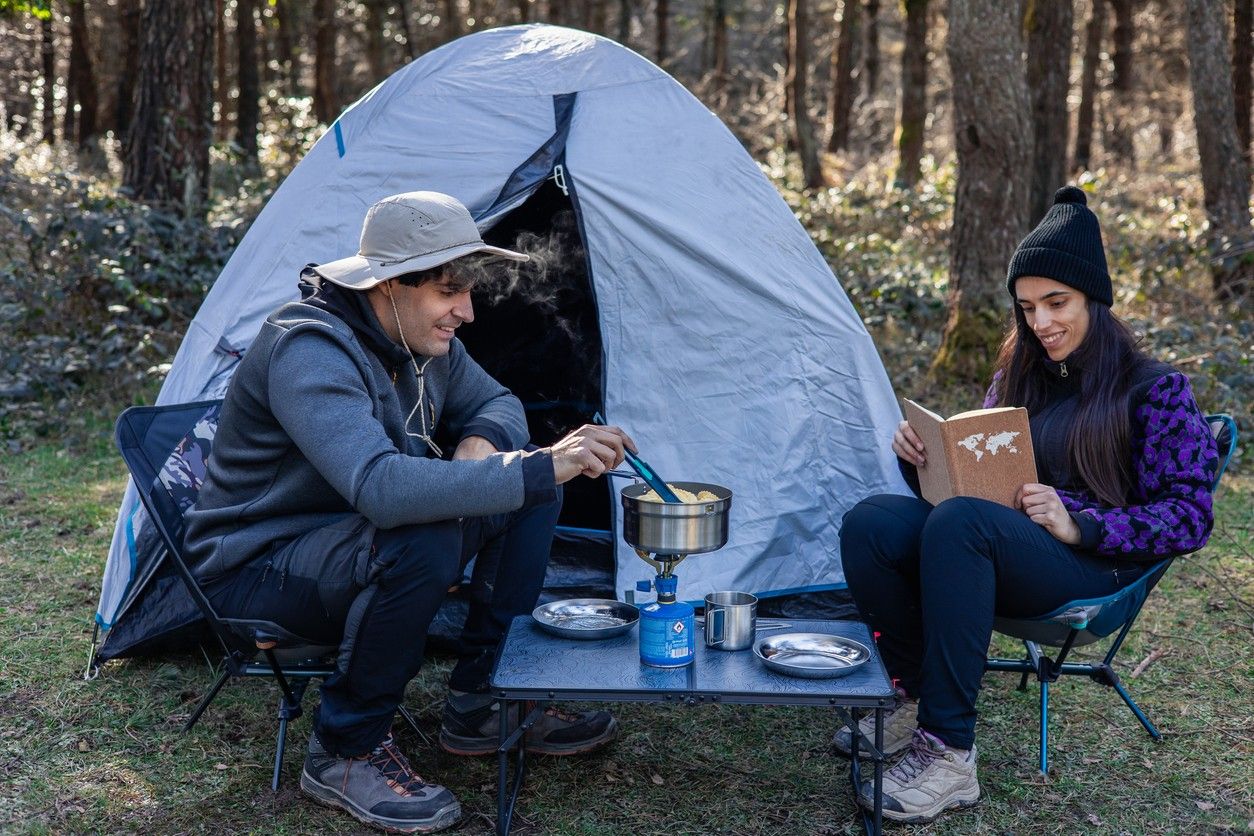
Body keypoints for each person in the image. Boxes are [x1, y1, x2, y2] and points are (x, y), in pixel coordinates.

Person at [184, 191, 635, 834]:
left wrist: (487, 444)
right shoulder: (307, 347)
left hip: (344, 541)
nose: (467, 311)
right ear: (391, 284)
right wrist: (532, 463)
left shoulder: (420, 339)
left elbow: (500, 401)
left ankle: (482, 701)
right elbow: (383, 490)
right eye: (450, 290)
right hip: (258, 562)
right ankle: (346, 748)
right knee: (427, 532)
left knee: (531, 490)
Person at [834, 186, 1218, 824]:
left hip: (1091, 567)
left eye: (1057, 303)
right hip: (997, 546)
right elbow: (975, 481)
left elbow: (1190, 515)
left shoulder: (1154, 389)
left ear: (1094, 297)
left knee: (962, 525)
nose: (1042, 324)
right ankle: (912, 697)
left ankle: (949, 754)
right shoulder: (1018, 375)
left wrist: (1084, 523)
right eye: (1028, 307)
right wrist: (921, 458)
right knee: (871, 521)